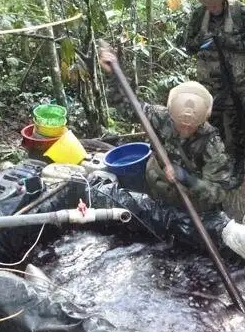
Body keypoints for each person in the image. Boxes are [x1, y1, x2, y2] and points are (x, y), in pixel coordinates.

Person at [98, 48, 233, 212]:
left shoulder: (211, 142)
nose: (185, 128)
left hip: (190, 200)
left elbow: (218, 193)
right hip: (159, 184)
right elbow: (126, 107)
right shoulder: (160, 116)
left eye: (191, 126)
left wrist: (186, 178)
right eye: (180, 123)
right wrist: (112, 75)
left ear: (203, 120)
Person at [184, 0, 245, 186]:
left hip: (234, 83)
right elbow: (188, 46)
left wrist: (227, 41)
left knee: (238, 127)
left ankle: (239, 167)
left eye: (215, 5)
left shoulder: (243, 13)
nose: (212, 9)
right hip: (208, 85)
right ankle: (214, 167)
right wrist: (203, 40)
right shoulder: (199, 15)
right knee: (210, 127)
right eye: (208, 5)